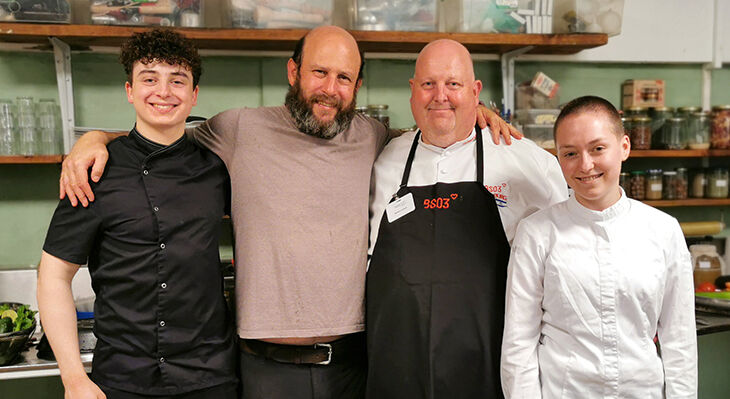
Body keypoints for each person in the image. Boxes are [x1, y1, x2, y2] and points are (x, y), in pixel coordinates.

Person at [56, 26, 518, 399]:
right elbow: (159, 134)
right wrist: (93, 139)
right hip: (263, 370)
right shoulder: (238, 129)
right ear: (293, 71)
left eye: (344, 78)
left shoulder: (374, 136)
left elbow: (439, 129)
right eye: (320, 72)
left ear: (357, 86)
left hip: (354, 366)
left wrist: (479, 114)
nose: (330, 89)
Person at [36, 29, 237, 399]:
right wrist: (74, 378)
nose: (163, 92)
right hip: (121, 378)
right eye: (149, 79)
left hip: (209, 377)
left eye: (177, 81)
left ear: (193, 96)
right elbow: (53, 275)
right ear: (130, 91)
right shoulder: (93, 171)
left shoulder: (218, 170)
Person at [366, 39, 568, 398]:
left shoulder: (526, 162)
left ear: (476, 92)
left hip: (487, 371)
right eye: (428, 84)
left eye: (453, 84)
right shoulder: (383, 160)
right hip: (396, 371)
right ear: (413, 91)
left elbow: (560, 272)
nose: (439, 95)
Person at [501, 96, 698, 398]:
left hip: (642, 391)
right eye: (570, 153)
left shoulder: (663, 230)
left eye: (597, 149)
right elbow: (519, 342)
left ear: (625, 147)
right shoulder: (537, 233)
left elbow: (679, 339)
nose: (585, 165)